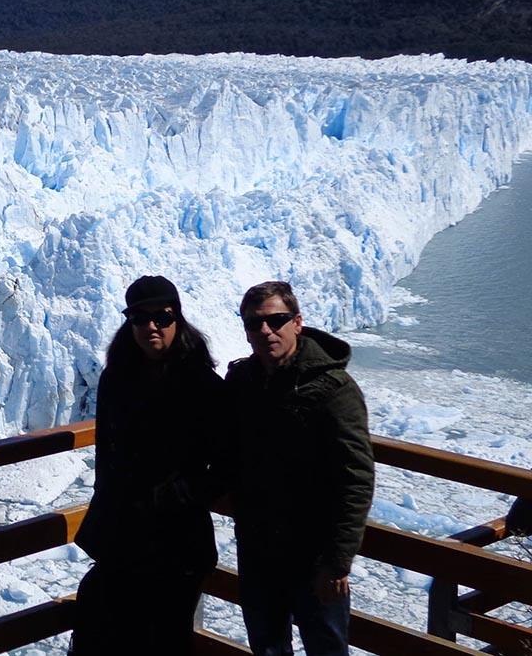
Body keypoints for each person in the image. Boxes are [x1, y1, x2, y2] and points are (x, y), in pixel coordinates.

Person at [72, 275, 223, 656]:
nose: (151, 326)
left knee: (164, 639)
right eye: (139, 317)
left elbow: (225, 464)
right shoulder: (116, 377)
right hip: (123, 537)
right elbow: (106, 453)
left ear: (178, 319)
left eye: (162, 316)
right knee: (99, 626)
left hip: (177, 543)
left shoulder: (203, 385)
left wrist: (175, 496)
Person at [226, 281, 375, 656]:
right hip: (259, 547)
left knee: (325, 648)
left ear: (298, 322)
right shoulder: (242, 381)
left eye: (276, 320)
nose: (265, 331)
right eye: (254, 324)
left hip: (314, 556)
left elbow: (355, 477)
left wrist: (338, 560)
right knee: (268, 647)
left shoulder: (335, 389)